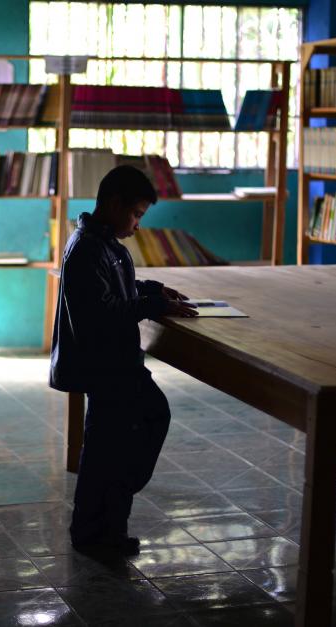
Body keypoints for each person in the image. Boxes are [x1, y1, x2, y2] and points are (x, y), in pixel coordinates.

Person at [49, 164, 197, 556]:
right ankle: (96, 530)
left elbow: (117, 287)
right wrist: (150, 304)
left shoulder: (106, 243)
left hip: (115, 362)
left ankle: (105, 528)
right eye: (136, 215)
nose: (137, 226)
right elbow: (101, 310)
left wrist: (152, 289)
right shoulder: (86, 249)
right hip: (105, 366)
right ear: (114, 205)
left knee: (111, 446)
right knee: (118, 443)